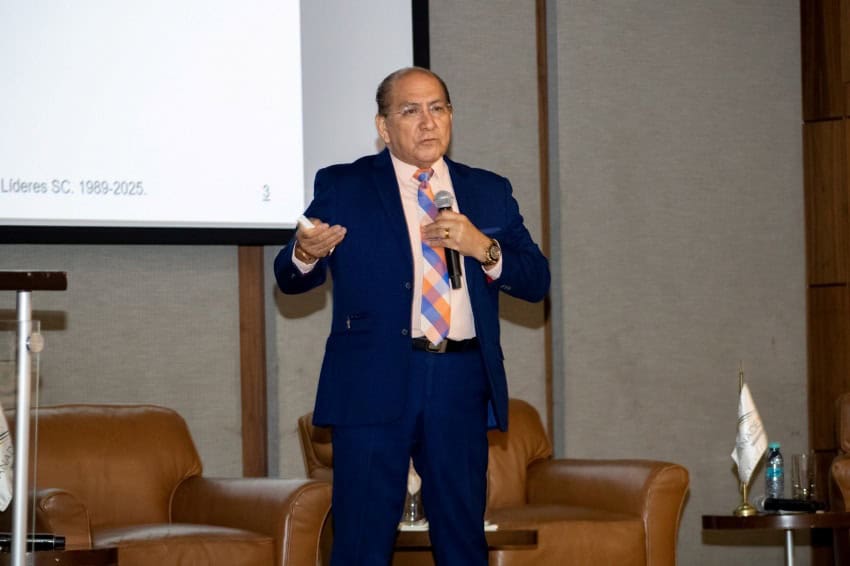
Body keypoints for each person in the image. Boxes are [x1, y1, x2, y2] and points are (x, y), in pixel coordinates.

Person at [275, 67, 549, 566]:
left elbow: (536, 280)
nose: (427, 122)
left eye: (437, 108)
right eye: (410, 111)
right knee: (361, 541)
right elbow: (290, 276)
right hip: (375, 377)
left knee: (463, 541)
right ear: (383, 127)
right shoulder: (346, 185)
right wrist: (306, 252)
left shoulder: (487, 190)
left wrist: (484, 248)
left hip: (460, 379)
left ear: (451, 118)